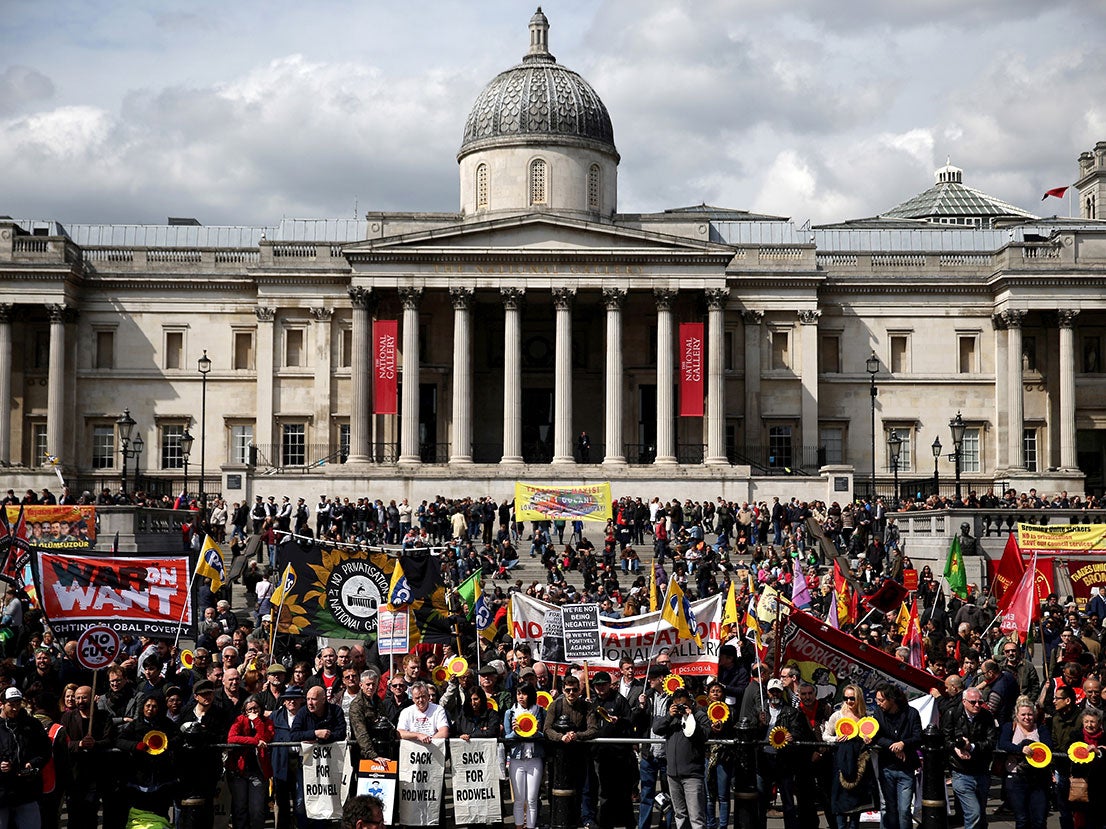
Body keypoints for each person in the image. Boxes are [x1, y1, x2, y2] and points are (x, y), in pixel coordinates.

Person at [116, 691, 179, 827]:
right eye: (148, 706)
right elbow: (120, 741)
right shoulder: (135, 724)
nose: (150, 709)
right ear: (143, 706)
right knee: (139, 809)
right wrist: (135, 746)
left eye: (154, 706)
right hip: (140, 775)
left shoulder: (166, 724)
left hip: (161, 776)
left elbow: (179, 737)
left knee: (161, 811)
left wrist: (168, 744)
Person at [60, 684, 118, 829]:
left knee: (91, 812)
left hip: (95, 773)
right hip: (75, 773)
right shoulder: (67, 717)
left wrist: (95, 744)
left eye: (84, 697)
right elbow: (62, 743)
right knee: (74, 813)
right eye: (77, 698)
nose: (80, 701)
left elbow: (110, 740)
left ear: (93, 698)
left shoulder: (104, 717)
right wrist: (78, 744)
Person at [544, 674, 597, 829]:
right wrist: (560, 737)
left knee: (582, 788)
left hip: (579, 753)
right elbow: (547, 729)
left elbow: (593, 729)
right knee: (555, 789)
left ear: (579, 690)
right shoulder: (555, 705)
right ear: (563, 690)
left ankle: (581, 819)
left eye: (574, 690)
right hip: (559, 755)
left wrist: (577, 735)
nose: (571, 693)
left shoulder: (587, 707)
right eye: (568, 690)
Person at [653, 687, 710, 829]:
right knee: (680, 815)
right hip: (673, 774)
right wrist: (669, 716)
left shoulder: (699, 715)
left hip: (692, 775)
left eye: (684, 704)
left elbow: (705, 734)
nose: (681, 708)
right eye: (677, 705)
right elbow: (656, 729)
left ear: (690, 702)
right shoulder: (671, 718)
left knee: (696, 817)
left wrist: (690, 718)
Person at [868, 684, 922, 829]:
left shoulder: (911, 713)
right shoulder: (878, 714)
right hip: (887, 767)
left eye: (881, 700)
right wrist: (894, 746)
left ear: (892, 699)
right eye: (877, 700)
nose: (878, 703)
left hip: (906, 769)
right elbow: (876, 736)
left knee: (904, 810)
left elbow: (918, 737)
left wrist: (903, 743)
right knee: (889, 808)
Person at [943, 687, 998, 829]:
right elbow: (945, 739)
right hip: (960, 771)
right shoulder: (952, 713)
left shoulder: (986, 716)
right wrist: (956, 748)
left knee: (981, 816)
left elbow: (991, 742)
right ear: (964, 701)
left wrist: (971, 747)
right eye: (973, 702)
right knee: (973, 812)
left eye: (980, 702)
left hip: (981, 770)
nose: (977, 705)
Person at [824, 684, 877, 829]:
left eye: (852, 698)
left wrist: (869, 740)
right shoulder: (837, 716)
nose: (848, 702)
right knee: (840, 804)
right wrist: (836, 739)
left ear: (858, 698)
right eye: (845, 698)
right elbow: (825, 736)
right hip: (841, 764)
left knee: (856, 807)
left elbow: (872, 739)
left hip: (860, 765)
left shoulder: (865, 718)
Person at [588, 671, 636, 829]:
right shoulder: (592, 701)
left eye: (603, 684)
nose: (600, 688)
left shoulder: (618, 700)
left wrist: (619, 721)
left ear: (610, 684)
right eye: (597, 685)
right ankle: (605, 824)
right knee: (604, 793)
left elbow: (630, 722)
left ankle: (628, 823)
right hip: (600, 755)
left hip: (619, 754)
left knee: (623, 791)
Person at [997, 698, 1053, 829]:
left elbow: (1048, 746)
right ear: (1017, 715)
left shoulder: (1041, 728)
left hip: (1038, 778)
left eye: (1029, 714)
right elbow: (1003, 744)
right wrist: (1020, 749)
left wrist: (1033, 747)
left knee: (1039, 819)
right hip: (1016, 777)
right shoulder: (1009, 727)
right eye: (1023, 714)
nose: (1027, 717)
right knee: (1022, 819)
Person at [226, 694, 275, 829]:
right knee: (240, 808)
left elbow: (266, 737)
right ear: (245, 711)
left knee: (257, 810)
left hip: (258, 772)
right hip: (239, 771)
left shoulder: (267, 722)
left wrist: (258, 722)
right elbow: (231, 738)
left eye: (256, 708)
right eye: (250, 710)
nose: (253, 712)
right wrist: (254, 742)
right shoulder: (240, 720)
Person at [505, 684, 545, 829]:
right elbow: (506, 739)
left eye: (524, 693)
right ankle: (519, 827)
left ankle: (531, 827)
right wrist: (516, 732)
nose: (521, 697)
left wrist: (536, 732)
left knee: (532, 799)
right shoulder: (510, 713)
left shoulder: (540, 711)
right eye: (518, 693)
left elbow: (545, 736)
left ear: (531, 695)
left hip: (535, 758)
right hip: (516, 759)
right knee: (519, 799)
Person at [272, 686, 308, 829]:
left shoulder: (307, 715)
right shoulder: (276, 716)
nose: (292, 701)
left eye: (295, 698)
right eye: (288, 699)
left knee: (300, 801)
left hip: (302, 761)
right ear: (284, 701)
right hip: (281, 761)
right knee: (282, 801)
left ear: (301, 700)